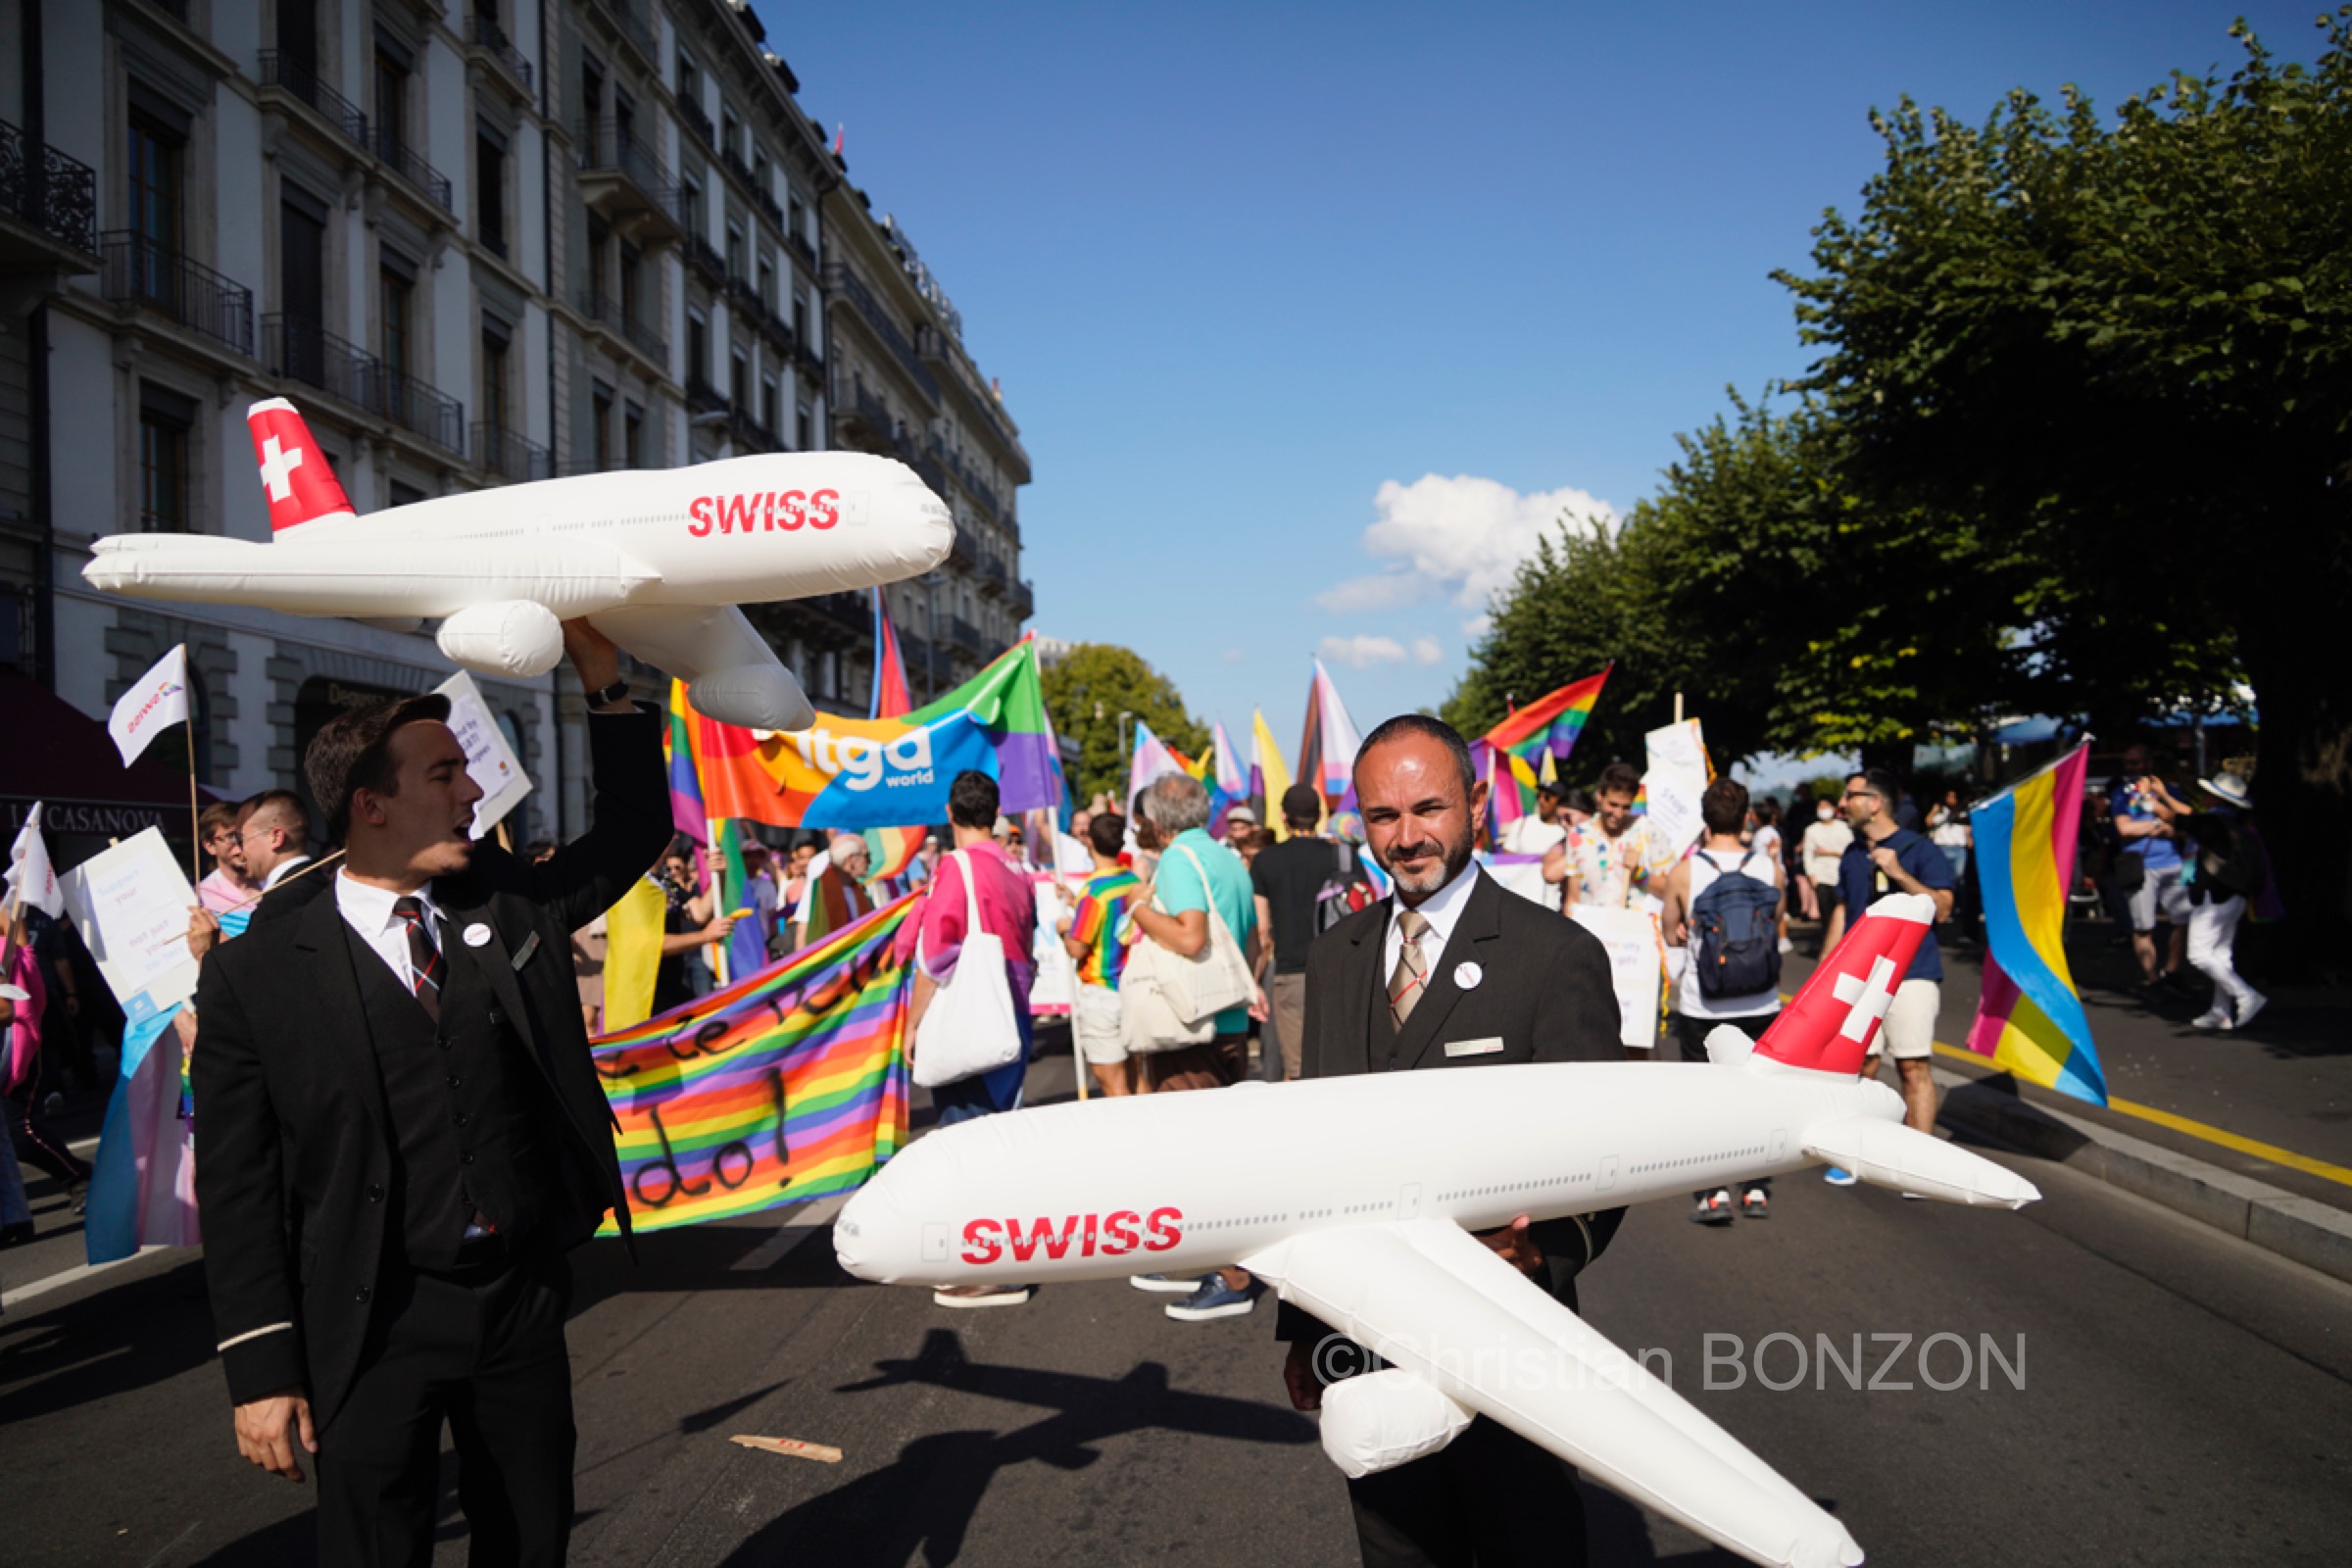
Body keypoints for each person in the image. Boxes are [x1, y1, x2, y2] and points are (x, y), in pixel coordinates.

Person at [192, 619, 668, 1565]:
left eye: (466, 768)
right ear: (371, 805)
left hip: (519, 1302)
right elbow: (239, 1186)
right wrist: (260, 1368)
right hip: (367, 1320)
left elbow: (633, 830)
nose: (472, 790)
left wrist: (604, 685)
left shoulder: (509, 903)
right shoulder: (257, 976)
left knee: (530, 1541)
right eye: (443, 775)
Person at [1279, 714, 1625, 1568]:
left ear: (1476, 803)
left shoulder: (1556, 955)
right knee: (1398, 1549)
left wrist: (1543, 1253)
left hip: (1510, 1334)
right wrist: (1300, 1328)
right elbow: (1310, 1156)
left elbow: (1609, 1151)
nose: (1406, 838)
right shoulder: (1336, 958)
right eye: (1383, 817)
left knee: (1526, 1541)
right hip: (1365, 1342)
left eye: (1427, 809)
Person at [1124, 770, 1267, 1323]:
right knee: (1218, 1148)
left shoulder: (1179, 861)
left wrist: (1138, 908)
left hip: (1190, 1024)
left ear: (1157, 825)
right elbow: (1255, 938)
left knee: (1196, 1154)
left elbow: (1190, 935)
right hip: (1227, 1019)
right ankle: (1201, 1254)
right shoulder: (1227, 857)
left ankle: (1229, 1274)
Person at [900, 771, 1039, 1308]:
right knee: (996, 1140)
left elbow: (937, 956)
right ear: (995, 811)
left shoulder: (956, 865)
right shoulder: (1015, 867)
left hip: (971, 1015)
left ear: (950, 813)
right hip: (1012, 1011)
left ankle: (988, 1270)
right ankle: (1002, 1258)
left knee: (963, 1142)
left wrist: (913, 1023)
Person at [1658, 778, 1784, 1222]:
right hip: (1762, 1000)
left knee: (1705, 1098)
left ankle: (1713, 1192)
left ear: (1705, 820)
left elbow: (1670, 924)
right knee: (1758, 1096)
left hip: (1703, 1003)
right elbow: (1777, 923)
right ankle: (1754, 1188)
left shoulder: (1687, 870)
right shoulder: (1769, 867)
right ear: (1747, 816)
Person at [1820, 768, 1956, 1167]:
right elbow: (1842, 913)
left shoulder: (1920, 848)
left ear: (1874, 803)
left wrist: (1898, 873)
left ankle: (1918, 1162)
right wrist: (1827, 970)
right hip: (1862, 976)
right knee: (1859, 1065)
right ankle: (1859, 1155)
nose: (1842, 804)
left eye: (1851, 796)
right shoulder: (1851, 852)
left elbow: (1943, 909)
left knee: (1913, 1066)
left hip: (1912, 973)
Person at [2146, 773, 2269, 1031]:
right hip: (2234, 894)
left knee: (2199, 954)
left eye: (2208, 792)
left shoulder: (2213, 822)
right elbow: (2189, 816)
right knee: (2220, 955)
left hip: (2215, 895)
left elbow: (2174, 818)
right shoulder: (2229, 821)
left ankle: (2246, 995)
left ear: (2216, 798)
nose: (2203, 795)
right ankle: (2220, 1012)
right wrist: (2165, 794)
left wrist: (2143, 796)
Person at [1250, 783, 1343, 1083]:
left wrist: (1254, 981)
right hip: (1339, 972)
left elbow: (1263, 930)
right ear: (1318, 815)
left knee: (1299, 1071)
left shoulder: (1266, 861)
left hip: (1290, 974)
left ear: (1283, 816)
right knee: (1337, 1066)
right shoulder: (1342, 856)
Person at [1062, 811, 1144, 1098]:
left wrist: (1064, 929)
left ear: (1089, 841)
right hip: (1133, 987)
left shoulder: (1094, 892)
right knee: (1139, 1079)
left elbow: (1077, 947)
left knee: (1115, 1086)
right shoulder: (1133, 880)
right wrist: (1076, 906)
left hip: (1102, 993)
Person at [2110, 742, 2190, 991]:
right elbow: (2125, 829)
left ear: (2149, 764)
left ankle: (2172, 971)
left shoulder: (2169, 791)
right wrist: (2159, 826)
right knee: (2143, 926)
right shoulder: (2122, 794)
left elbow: (2183, 823)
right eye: (2126, 763)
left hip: (2172, 864)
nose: (2129, 768)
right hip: (2140, 866)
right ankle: (2153, 979)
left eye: (2134, 763)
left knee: (2182, 920)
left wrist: (2155, 810)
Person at [1543, 760, 1651, 909]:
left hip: (1635, 927)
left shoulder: (1646, 831)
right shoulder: (1578, 836)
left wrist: (1638, 873)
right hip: (1592, 927)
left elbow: (1669, 890)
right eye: (1613, 804)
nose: (1618, 814)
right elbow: (1572, 898)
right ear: (1600, 795)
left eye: (1626, 807)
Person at [1925, 787, 1976, 946]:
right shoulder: (1940, 814)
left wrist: (1969, 840)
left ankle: (1956, 908)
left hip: (1958, 848)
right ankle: (1949, 908)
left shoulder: (1961, 812)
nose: (1951, 800)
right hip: (1944, 848)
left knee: (1959, 880)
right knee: (1946, 881)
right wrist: (1934, 810)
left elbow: (1967, 829)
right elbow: (1928, 822)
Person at [1798, 793, 1851, 927]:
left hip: (1841, 875)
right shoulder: (1811, 830)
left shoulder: (1844, 828)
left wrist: (1830, 852)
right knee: (1826, 916)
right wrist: (1811, 875)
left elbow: (1849, 852)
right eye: (1820, 806)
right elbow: (1808, 854)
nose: (1823, 809)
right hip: (1821, 877)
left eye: (1826, 806)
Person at [196, 802, 259, 914]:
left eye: (243, 835)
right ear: (210, 846)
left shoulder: (273, 883)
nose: (240, 845)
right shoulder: (200, 898)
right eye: (230, 837)